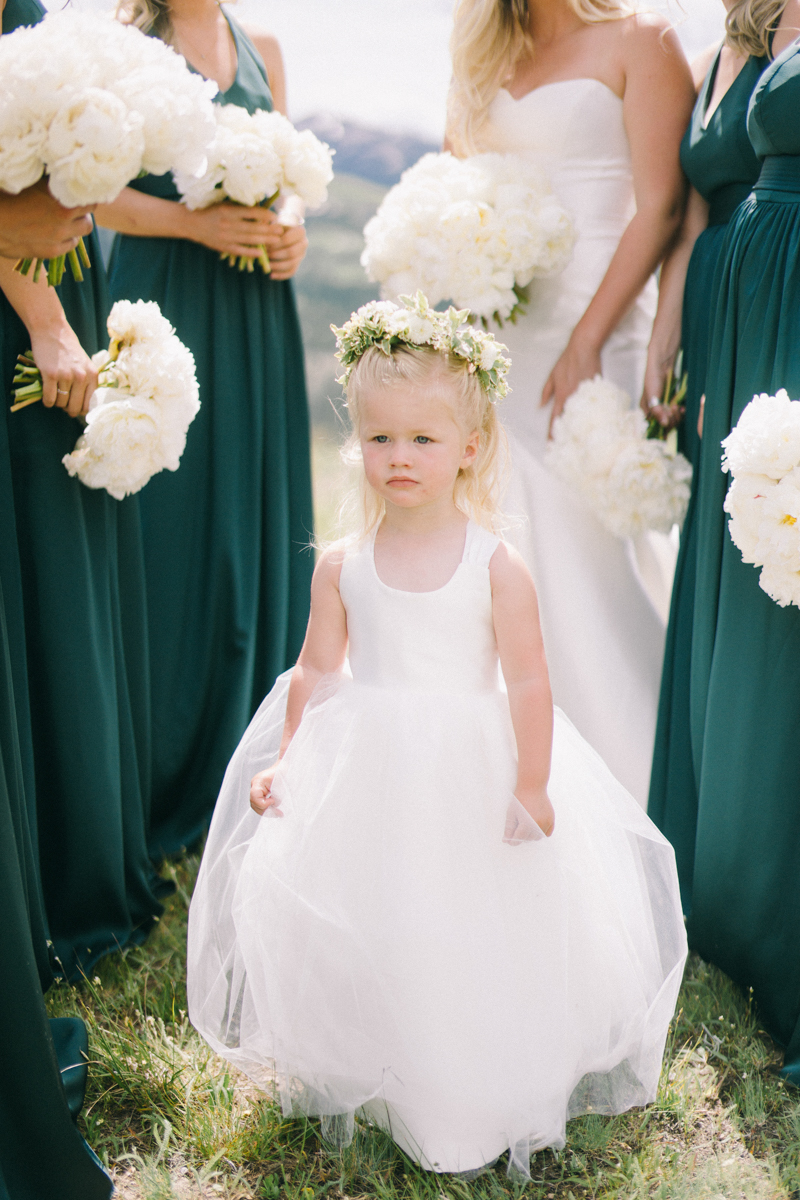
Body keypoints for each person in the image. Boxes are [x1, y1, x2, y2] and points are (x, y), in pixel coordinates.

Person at [187, 299, 687, 1178]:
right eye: (380, 439)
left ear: (470, 445)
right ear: (357, 444)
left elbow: (531, 681)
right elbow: (316, 671)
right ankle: (381, 1056)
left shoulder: (496, 563)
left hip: (468, 771)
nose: (399, 457)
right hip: (369, 770)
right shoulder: (341, 562)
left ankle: (471, 1072)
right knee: (377, 911)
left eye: (423, 439)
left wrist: (532, 784)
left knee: (466, 918)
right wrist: (289, 758)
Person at [444, 0, 695, 804]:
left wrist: (588, 338)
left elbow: (660, 204)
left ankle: (633, 783)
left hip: (601, 327)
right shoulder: (483, 55)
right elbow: (454, 187)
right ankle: (504, 776)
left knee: (586, 545)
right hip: (498, 330)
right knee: (499, 540)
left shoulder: (643, 41)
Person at [98, 0, 314, 859]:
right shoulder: (121, 45)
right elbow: (90, 194)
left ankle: (254, 768)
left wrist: (292, 225)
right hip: (166, 301)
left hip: (258, 306)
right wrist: (194, 222)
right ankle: (154, 775)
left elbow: (291, 171)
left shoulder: (262, 48)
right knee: (169, 531)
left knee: (251, 526)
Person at [1, 0, 167, 981]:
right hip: (33, 306)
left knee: (58, 574)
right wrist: (43, 311)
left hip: (54, 289)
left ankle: (71, 866)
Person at [682, 2, 800, 1084]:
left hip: (788, 297)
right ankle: (733, 877)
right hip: (757, 298)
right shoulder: (758, 31)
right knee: (755, 567)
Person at [644, 0, 780, 905]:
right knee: (716, 540)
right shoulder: (705, 59)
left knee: (768, 529)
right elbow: (690, 220)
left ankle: (758, 833)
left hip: (774, 303)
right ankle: (702, 828)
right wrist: (665, 338)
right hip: (711, 311)